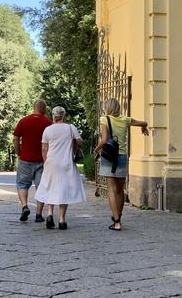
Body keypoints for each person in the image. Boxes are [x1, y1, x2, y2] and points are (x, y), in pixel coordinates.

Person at [93, 98, 149, 231]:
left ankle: (116, 221)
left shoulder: (104, 119)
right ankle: (119, 217)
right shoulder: (126, 119)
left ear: (108, 108)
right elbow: (144, 122)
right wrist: (144, 127)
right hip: (122, 157)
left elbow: (105, 139)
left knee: (111, 189)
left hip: (109, 158)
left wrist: (96, 149)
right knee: (119, 190)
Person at [34, 106, 86, 230]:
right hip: (66, 162)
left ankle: (50, 213)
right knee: (64, 189)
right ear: (64, 115)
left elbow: (44, 148)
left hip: (51, 162)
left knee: (50, 187)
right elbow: (80, 142)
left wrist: (46, 162)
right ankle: (62, 220)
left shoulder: (48, 130)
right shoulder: (70, 128)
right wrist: (75, 145)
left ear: (53, 115)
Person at [12, 99, 53, 223]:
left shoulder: (24, 121)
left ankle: (24, 206)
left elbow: (15, 138)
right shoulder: (48, 123)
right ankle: (39, 214)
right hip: (42, 160)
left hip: (25, 159)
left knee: (22, 184)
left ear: (33, 107)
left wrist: (18, 152)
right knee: (41, 187)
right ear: (44, 109)